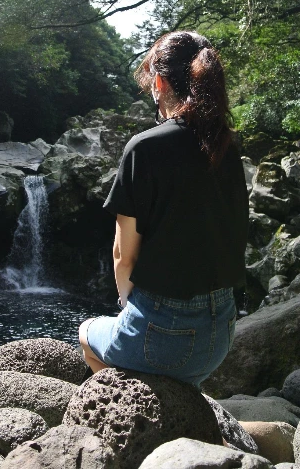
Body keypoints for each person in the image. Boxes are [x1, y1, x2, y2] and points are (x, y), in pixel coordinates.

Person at [79, 31, 248, 388]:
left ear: (159, 83)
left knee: (86, 333)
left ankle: (125, 409)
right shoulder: (226, 146)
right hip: (221, 334)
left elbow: (122, 256)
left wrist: (131, 310)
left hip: (162, 337)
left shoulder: (144, 148)